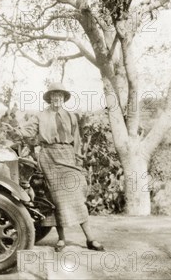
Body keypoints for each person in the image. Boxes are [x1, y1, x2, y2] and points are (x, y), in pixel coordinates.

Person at [12, 83, 105, 252]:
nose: (57, 99)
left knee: (77, 196)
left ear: (63, 98)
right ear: (50, 98)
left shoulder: (71, 116)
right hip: (49, 157)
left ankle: (90, 238)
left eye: (60, 96)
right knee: (55, 199)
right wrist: (19, 131)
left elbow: (76, 139)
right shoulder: (40, 116)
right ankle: (61, 239)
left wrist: (77, 158)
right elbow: (28, 130)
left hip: (68, 155)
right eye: (54, 96)